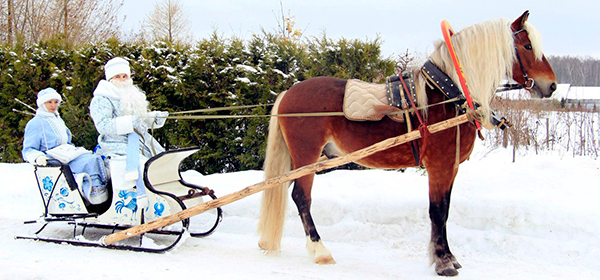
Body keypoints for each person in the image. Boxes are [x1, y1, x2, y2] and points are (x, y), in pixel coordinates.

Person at [89, 57, 168, 200]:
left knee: (163, 160)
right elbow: (103, 125)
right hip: (116, 144)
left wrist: (154, 118)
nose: (122, 80)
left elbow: (139, 120)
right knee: (142, 165)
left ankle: (163, 197)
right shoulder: (102, 99)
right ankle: (141, 199)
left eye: (125, 76)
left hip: (139, 142)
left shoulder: (131, 96)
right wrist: (132, 121)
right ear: (110, 78)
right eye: (118, 76)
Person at [22, 88, 108, 204]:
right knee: (90, 161)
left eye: (56, 102)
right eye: (49, 102)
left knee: (96, 157)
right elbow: (28, 149)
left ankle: (99, 194)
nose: (53, 106)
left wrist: (73, 150)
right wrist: (38, 157)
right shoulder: (35, 123)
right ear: (42, 104)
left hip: (66, 156)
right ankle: (95, 195)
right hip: (53, 160)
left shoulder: (58, 120)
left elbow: (67, 141)